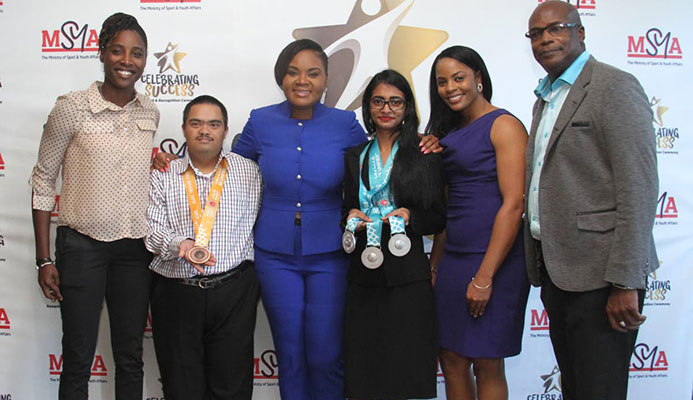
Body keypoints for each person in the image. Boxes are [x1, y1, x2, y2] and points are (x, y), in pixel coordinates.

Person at [523, 2, 658, 399]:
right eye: (536, 33)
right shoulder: (545, 98)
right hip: (559, 271)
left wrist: (625, 282)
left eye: (556, 28)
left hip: (603, 279)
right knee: (577, 389)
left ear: (581, 32)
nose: (545, 38)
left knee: (600, 390)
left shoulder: (614, 87)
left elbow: (639, 187)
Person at [30, 13, 158, 400]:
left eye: (136, 53)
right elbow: (42, 179)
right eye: (118, 50)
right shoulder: (71, 107)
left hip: (135, 251)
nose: (127, 60)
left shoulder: (149, 111)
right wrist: (43, 259)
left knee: (131, 357)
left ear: (145, 60)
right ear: (102, 52)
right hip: (82, 247)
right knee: (77, 359)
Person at [427, 45, 530, 400]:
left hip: (496, 261)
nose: (450, 88)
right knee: (451, 358)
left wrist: (485, 277)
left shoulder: (504, 125)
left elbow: (514, 205)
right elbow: (446, 206)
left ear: (479, 79)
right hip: (453, 258)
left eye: (459, 78)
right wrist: (435, 264)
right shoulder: (448, 133)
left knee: (487, 361)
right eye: (442, 82)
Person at [145, 95, 262, 399]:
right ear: (184, 129)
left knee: (231, 387)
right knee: (181, 387)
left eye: (214, 123)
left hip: (233, 291)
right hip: (176, 291)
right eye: (196, 123)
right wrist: (179, 244)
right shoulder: (163, 174)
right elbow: (151, 230)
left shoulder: (250, 172)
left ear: (225, 130)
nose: (204, 130)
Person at [342, 69, 445, 400]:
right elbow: (345, 206)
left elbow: (437, 218)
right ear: (368, 108)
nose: (386, 108)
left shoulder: (424, 151)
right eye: (378, 101)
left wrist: (411, 217)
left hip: (408, 274)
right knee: (366, 367)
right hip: (362, 273)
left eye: (395, 102)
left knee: (407, 366)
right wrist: (350, 217)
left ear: (407, 107)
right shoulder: (354, 155)